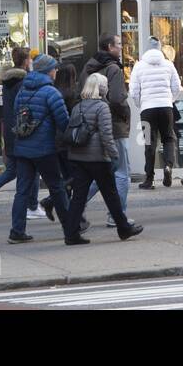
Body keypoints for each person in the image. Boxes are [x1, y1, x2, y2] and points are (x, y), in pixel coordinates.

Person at [63, 73, 145, 245]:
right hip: (98, 158)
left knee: (79, 197)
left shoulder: (78, 106)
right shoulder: (102, 107)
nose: (107, 87)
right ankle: (123, 228)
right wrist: (114, 155)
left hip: (78, 157)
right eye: (106, 85)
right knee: (111, 195)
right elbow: (107, 136)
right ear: (101, 89)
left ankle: (71, 233)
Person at [8, 54, 72, 244]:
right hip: (44, 149)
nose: (56, 71)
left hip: (23, 147)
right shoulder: (51, 92)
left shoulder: (22, 90)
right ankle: (70, 228)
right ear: (48, 71)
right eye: (54, 68)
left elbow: (15, 114)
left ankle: (17, 231)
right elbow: (63, 122)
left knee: (22, 191)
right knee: (57, 188)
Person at [0, 47, 42, 222]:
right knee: (31, 168)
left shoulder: (8, 81)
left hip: (11, 132)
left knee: (13, 170)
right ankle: (32, 206)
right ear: (26, 61)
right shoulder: (22, 82)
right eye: (29, 60)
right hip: (21, 132)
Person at [79, 33, 132, 223]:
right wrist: (125, 113)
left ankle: (73, 203)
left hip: (93, 124)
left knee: (104, 172)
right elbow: (118, 98)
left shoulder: (88, 67)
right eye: (119, 44)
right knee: (122, 172)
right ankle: (118, 215)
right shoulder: (113, 69)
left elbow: (81, 92)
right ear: (110, 47)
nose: (121, 47)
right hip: (115, 125)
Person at [132, 38, 183, 189]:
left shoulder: (139, 66)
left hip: (147, 110)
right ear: (160, 48)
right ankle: (168, 166)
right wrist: (170, 100)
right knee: (168, 138)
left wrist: (141, 104)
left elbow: (134, 91)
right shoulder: (168, 64)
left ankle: (149, 179)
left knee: (149, 143)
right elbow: (177, 87)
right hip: (166, 108)